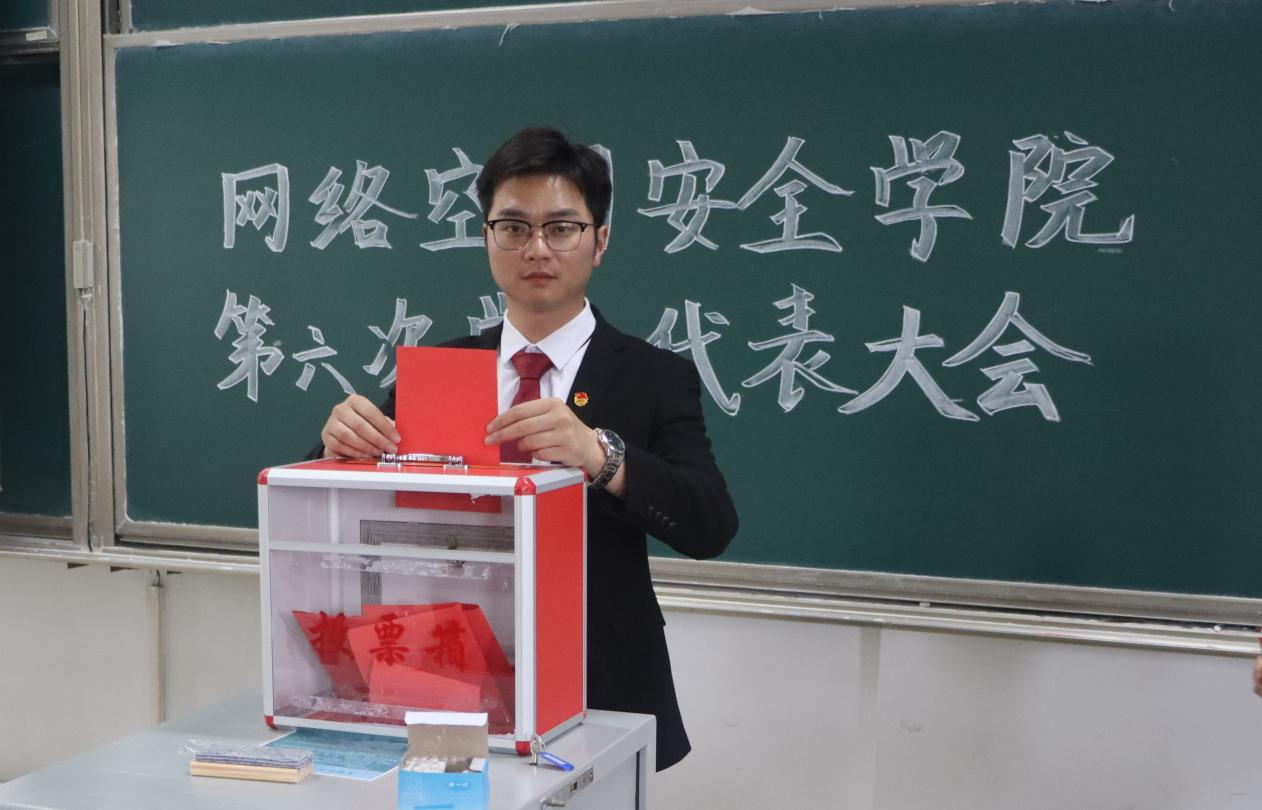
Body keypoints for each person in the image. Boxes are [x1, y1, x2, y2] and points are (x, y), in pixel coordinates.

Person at [313, 126, 738, 770]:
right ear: (486, 238)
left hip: (598, 678)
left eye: (561, 227)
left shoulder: (653, 376)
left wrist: (602, 457)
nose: (536, 248)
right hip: (446, 670)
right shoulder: (442, 369)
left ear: (600, 241)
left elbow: (710, 524)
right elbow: (343, 488)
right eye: (513, 227)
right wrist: (337, 441)